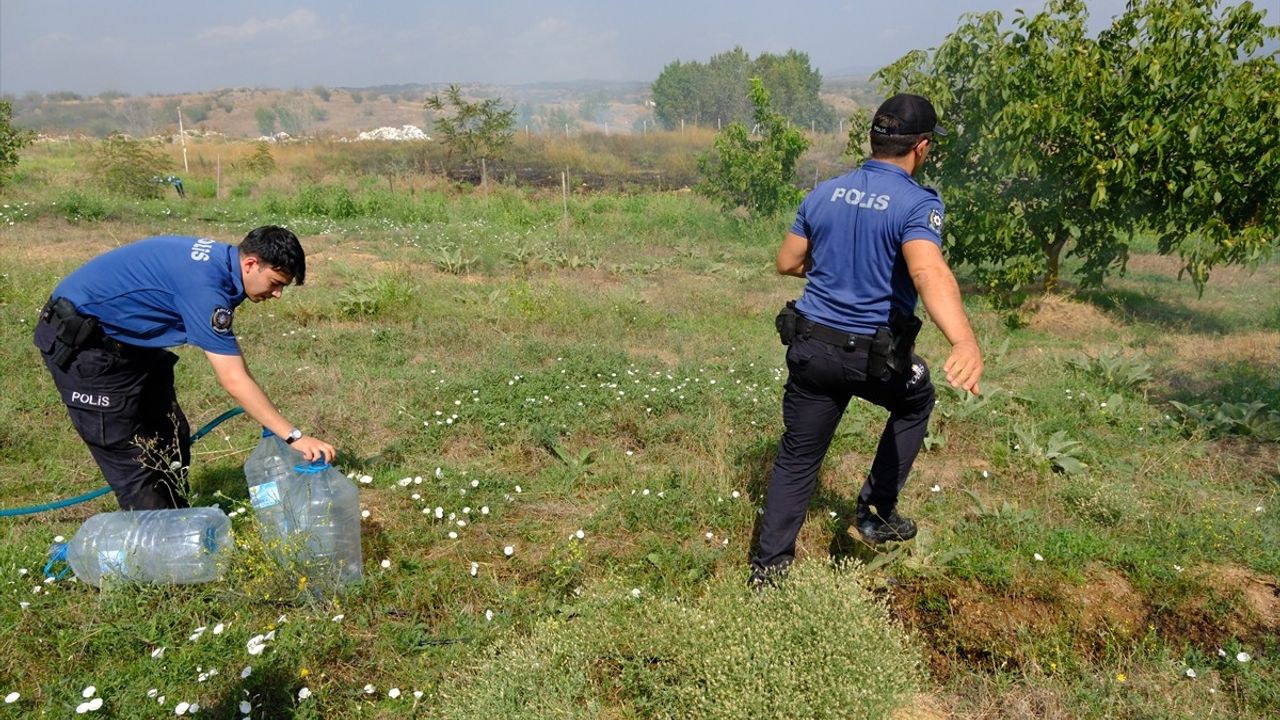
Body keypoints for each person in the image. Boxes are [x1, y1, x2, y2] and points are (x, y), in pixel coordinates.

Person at [750, 94, 983, 584]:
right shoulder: (918, 203)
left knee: (797, 457)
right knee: (918, 397)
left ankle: (768, 572)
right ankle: (876, 515)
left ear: (875, 139)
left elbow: (788, 262)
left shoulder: (825, 192)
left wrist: (836, 270)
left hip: (811, 348)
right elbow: (927, 270)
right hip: (873, 358)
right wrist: (964, 342)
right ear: (921, 147)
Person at [33, 225, 336, 510]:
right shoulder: (206, 288)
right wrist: (294, 437)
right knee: (134, 459)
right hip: (85, 344)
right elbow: (233, 378)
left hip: (132, 343)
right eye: (275, 283)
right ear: (251, 264)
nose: (277, 294)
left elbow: (236, 367)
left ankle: (177, 516)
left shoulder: (225, 265)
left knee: (169, 434)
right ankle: (161, 549)